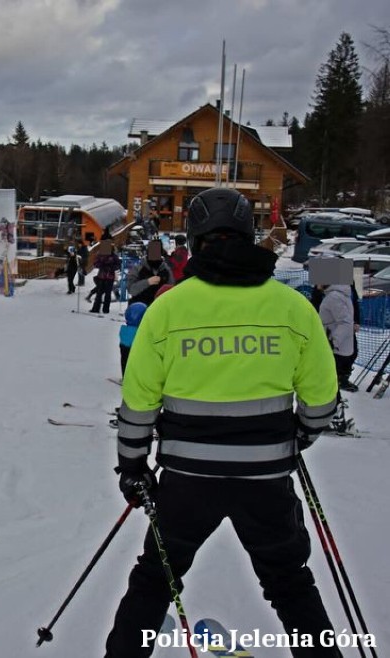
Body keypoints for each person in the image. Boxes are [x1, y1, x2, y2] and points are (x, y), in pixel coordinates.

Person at [105, 188, 340, 658]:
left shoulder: (168, 308)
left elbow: (139, 402)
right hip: (267, 478)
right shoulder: (292, 307)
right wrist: (302, 435)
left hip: (187, 481)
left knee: (155, 580)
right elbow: (321, 398)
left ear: (192, 239)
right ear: (248, 234)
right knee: (291, 585)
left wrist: (132, 466)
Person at [319, 282, 357, 393]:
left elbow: (345, 322)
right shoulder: (336, 295)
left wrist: (333, 341)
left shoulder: (334, 297)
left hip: (336, 348)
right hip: (338, 347)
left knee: (330, 384)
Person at [125, 240, 173, 305]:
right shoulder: (138, 268)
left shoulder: (166, 270)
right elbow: (131, 290)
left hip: (159, 307)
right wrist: (147, 282)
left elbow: (171, 290)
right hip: (141, 308)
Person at [89, 242, 120, 314]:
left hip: (110, 277)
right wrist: (102, 265)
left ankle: (106, 309)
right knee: (99, 293)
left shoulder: (114, 256)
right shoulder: (101, 255)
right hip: (101, 276)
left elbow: (118, 265)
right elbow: (95, 263)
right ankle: (95, 308)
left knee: (108, 294)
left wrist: (111, 267)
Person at [118, 302, 147, 377]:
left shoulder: (124, 330)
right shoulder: (141, 332)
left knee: (124, 360)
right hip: (135, 348)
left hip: (124, 346)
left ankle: (125, 376)